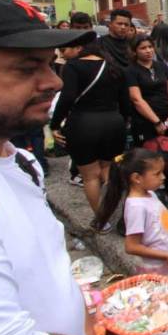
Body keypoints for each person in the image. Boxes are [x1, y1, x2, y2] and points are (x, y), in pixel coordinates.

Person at [0, 0, 130, 335]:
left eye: (48, 64)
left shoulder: (22, 164)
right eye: (26, 68)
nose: (53, 81)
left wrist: (87, 329)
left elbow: (48, 270)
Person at [50, 39, 129, 229]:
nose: (64, 52)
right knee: (108, 169)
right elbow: (125, 100)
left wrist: (55, 124)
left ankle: (102, 221)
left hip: (83, 123)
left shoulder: (73, 67)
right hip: (113, 122)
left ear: (79, 48)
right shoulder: (113, 66)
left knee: (90, 176)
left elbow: (67, 97)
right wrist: (123, 121)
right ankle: (118, 214)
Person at [96, 148, 168, 274]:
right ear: (137, 178)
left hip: (164, 262)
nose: (163, 177)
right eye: (157, 174)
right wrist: (166, 255)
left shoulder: (150, 194)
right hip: (153, 268)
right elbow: (131, 246)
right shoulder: (136, 207)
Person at [126, 34, 168, 145]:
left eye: (150, 47)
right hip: (146, 120)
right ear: (134, 51)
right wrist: (157, 122)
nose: (148, 50)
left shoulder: (161, 66)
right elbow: (136, 99)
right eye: (143, 48)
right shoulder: (131, 70)